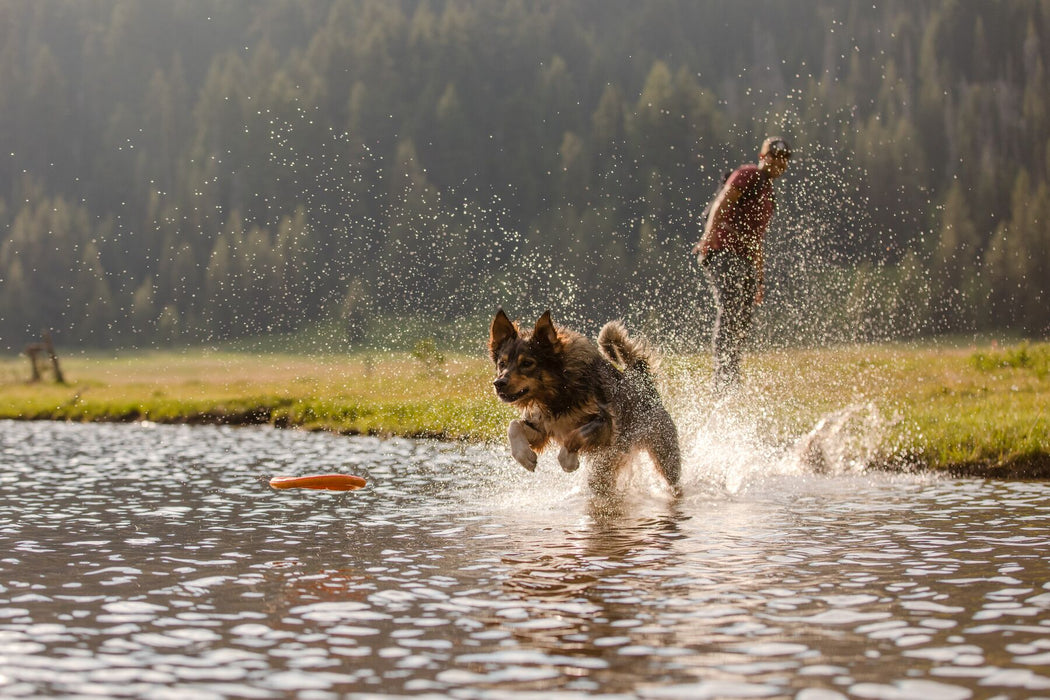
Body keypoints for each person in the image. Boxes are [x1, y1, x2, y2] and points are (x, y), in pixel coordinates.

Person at [692, 136, 792, 392]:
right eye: (774, 157)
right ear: (763, 157)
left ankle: (731, 374)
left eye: (784, 160)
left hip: (745, 258)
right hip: (723, 251)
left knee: (742, 319)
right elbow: (721, 203)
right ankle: (723, 379)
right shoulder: (747, 174)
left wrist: (759, 280)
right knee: (730, 309)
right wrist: (707, 237)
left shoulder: (769, 193)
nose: (779, 163)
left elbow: (757, 240)